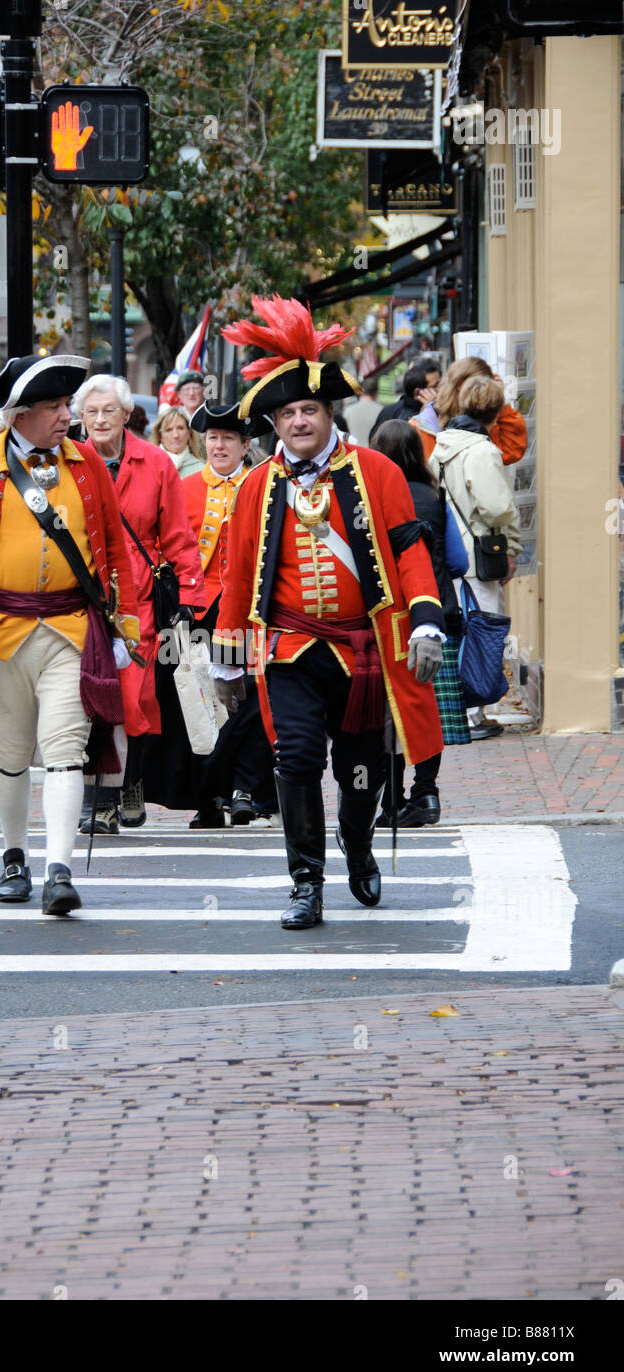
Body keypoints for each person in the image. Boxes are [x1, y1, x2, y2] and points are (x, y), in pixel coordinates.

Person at [215, 295, 445, 929]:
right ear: (275, 423)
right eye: (286, 413)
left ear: (327, 413)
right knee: (295, 760)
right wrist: (229, 659)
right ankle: (305, 881)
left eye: (308, 409)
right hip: (288, 649)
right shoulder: (257, 486)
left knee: (362, 766)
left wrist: (426, 619)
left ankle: (360, 843)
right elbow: (238, 576)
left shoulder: (376, 472)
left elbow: (409, 553)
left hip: (363, 650)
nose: (297, 422)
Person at [0, 354, 140, 914]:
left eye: (66, 405)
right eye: (53, 406)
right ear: (18, 415)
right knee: (13, 752)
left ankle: (59, 870)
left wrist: (125, 623)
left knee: (67, 750)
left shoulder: (87, 465)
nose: (66, 415)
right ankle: (14, 855)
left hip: (72, 630)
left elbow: (113, 550)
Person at [73, 373, 205, 833]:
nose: (100, 419)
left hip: (139, 597)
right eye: (90, 411)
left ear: (128, 414)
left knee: (133, 695)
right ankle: (101, 798)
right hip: (83, 594)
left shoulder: (156, 463)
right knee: (89, 693)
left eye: (109, 410)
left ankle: (131, 781)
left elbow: (178, 537)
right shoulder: (69, 461)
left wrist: (190, 593)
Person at [146, 401, 277, 827]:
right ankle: (208, 795)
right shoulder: (184, 488)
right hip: (195, 612)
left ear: (245, 445)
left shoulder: (262, 486)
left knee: (244, 700)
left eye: (229, 439)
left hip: (245, 611)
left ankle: (243, 787)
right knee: (197, 703)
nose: (219, 446)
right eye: (213, 438)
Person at [370, 419, 471, 825]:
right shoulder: (435, 495)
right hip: (436, 614)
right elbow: (459, 561)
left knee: (388, 712)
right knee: (428, 709)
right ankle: (426, 794)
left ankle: (391, 800)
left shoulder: (371, 497)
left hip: (387, 618)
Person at [428, 375, 522, 740]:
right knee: (481, 631)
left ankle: (466, 708)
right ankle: (472, 711)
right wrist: (511, 536)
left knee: (462, 630)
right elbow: (496, 507)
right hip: (481, 552)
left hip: (453, 550)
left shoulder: (443, 444)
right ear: (496, 412)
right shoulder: (481, 450)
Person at [413, 355, 528, 466]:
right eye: (478, 387)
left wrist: (499, 401)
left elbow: (509, 451)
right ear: (460, 384)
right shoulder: (424, 426)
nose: (483, 393)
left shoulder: (477, 416)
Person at [372, 356, 441, 430]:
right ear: (418, 392)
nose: (440, 389)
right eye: (435, 386)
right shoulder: (392, 413)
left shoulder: (388, 410)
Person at [151, 405, 204, 480]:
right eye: (168, 430)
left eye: (180, 428)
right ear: (160, 436)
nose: (175, 435)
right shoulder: (149, 467)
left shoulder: (202, 470)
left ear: (189, 433)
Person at [344, 378, 380, 447]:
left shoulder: (348, 411)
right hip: (372, 453)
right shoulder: (382, 410)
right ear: (376, 392)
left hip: (353, 452)